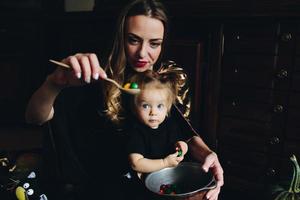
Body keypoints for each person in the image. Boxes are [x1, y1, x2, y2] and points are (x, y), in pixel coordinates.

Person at [25, 0, 224, 199]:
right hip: (106, 184)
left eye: (154, 43)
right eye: (133, 40)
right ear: (120, 38)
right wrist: (54, 83)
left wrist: (207, 154)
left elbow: (182, 127)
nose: (142, 53)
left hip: (158, 181)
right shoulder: (96, 75)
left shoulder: (169, 77)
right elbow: (35, 118)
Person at [127, 70, 189, 175]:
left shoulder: (169, 124)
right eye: (145, 106)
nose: (153, 112)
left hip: (168, 175)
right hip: (144, 179)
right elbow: (136, 163)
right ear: (134, 108)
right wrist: (164, 162)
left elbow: (181, 141)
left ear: (167, 108)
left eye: (159, 106)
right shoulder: (136, 131)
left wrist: (182, 148)